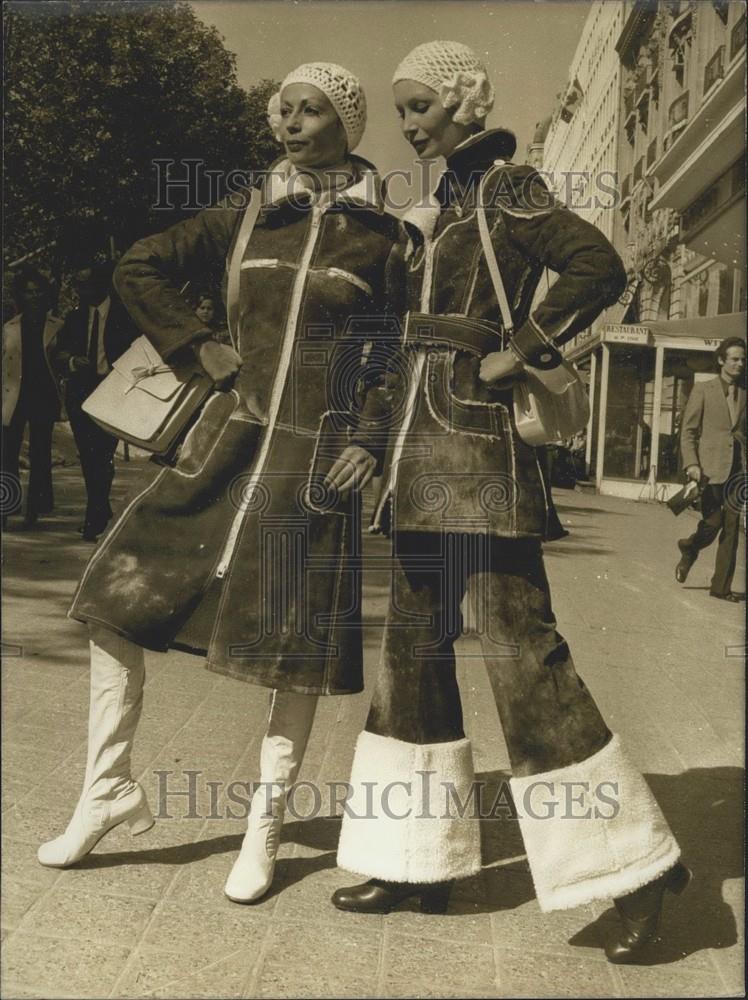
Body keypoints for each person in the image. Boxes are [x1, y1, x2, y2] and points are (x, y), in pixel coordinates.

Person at [331, 41, 690, 966]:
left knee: (523, 653)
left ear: (459, 102)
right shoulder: (438, 206)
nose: (408, 122)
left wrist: (517, 348)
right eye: (400, 108)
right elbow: (396, 341)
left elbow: (597, 267)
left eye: (419, 106)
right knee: (411, 652)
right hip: (417, 454)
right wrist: (372, 438)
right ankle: (417, 859)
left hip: (479, 451)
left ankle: (639, 871)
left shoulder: (508, 187)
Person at [37, 63, 401, 909]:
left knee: (295, 653)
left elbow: (388, 352)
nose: (291, 124)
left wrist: (374, 441)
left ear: (347, 124)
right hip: (221, 445)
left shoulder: (385, 239)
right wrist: (194, 341)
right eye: (284, 110)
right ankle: (107, 791)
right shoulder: (246, 211)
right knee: (114, 600)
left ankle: (264, 831)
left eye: (311, 111)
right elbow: (140, 267)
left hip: (315, 461)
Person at [53, 261, 136, 541]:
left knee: (101, 454)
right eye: (77, 283)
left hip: (113, 393)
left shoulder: (125, 316)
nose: (80, 289)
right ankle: (99, 510)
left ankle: (96, 514)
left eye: (85, 283)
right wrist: (73, 361)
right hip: (80, 394)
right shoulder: (74, 318)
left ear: (101, 284)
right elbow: (58, 353)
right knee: (89, 456)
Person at [675, 337, 746, 602]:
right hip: (709, 469)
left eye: (743, 359)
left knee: (731, 526)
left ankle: (721, 588)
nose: (740, 364)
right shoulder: (703, 390)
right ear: (721, 360)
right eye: (735, 359)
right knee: (713, 523)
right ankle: (690, 547)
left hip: (738, 472)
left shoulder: (746, 393)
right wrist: (692, 463)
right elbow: (688, 432)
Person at [2, 266, 65, 529]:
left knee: (40, 454)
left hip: (44, 395)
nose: (34, 296)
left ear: (45, 295)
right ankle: (6, 507)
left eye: (38, 292)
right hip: (13, 396)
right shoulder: (9, 328)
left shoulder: (58, 326)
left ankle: (34, 511)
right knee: (6, 453)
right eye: (28, 292)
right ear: (20, 296)